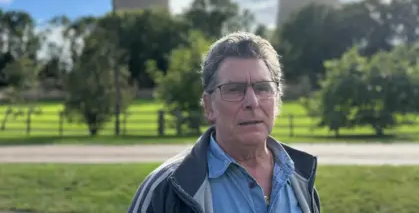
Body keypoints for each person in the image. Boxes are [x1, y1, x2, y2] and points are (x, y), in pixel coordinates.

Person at [128, 32, 321, 213]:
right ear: (209, 105)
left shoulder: (299, 178)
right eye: (234, 89)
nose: (252, 102)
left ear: (277, 100)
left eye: (263, 88)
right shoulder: (165, 189)